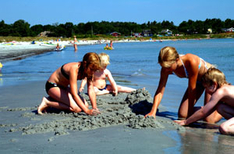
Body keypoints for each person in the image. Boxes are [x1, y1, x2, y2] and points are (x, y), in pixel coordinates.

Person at [145, 46, 222, 123]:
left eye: (168, 67)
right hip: (198, 82)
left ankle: (226, 107)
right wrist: (153, 112)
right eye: (163, 67)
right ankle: (209, 108)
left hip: (211, 79)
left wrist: (189, 118)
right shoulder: (165, 68)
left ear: (177, 60)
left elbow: (192, 90)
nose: (166, 70)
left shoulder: (191, 61)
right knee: (182, 115)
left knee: (209, 119)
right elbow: (160, 90)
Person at [37, 52, 102, 115]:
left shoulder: (90, 72)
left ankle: (55, 98)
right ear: (85, 64)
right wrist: (87, 111)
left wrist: (94, 107)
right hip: (52, 86)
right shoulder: (74, 68)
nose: (93, 72)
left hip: (63, 88)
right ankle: (47, 102)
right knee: (77, 109)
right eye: (91, 69)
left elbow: (91, 88)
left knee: (86, 105)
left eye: (95, 70)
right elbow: (74, 94)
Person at [175, 68, 234, 135]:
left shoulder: (220, 92)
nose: (206, 91)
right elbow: (209, 110)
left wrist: (186, 122)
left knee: (224, 128)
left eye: (206, 87)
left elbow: (203, 112)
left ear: (214, 84)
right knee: (220, 107)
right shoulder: (227, 88)